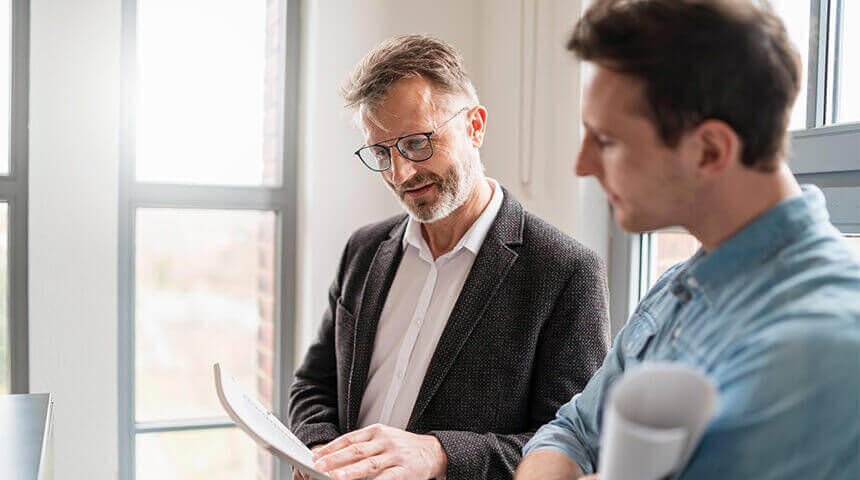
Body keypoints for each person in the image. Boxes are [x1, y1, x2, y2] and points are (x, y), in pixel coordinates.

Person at [515, 1, 860, 479]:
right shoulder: (681, 285)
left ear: (710, 150)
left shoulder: (821, 348)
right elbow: (571, 428)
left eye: (607, 140)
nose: (582, 164)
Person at [289, 34, 611, 480]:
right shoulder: (363, 249)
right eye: (381, 152)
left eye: (418, 143)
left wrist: (439, 454)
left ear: (475, 126)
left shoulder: (566, 272)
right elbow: (313, 384)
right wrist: (320, 451)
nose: (401, 173)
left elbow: (574, 447)